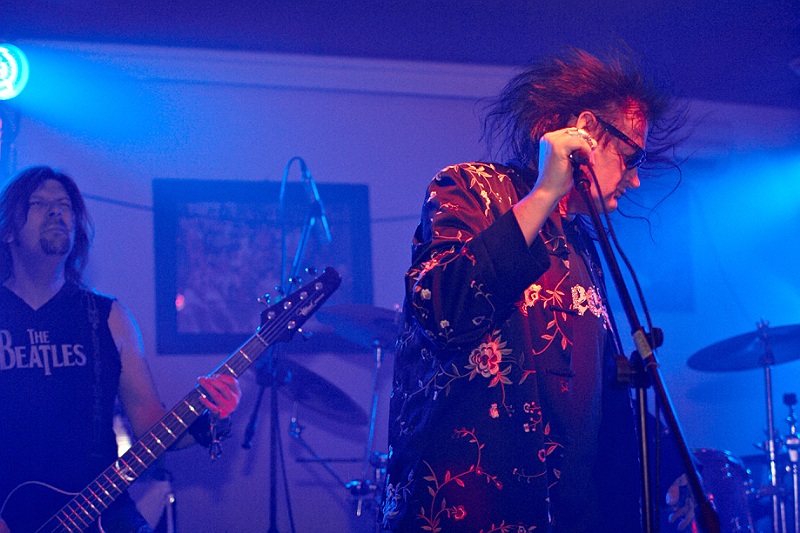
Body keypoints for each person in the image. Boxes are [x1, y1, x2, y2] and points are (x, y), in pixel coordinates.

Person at [381, 48, 684, 532]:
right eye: (631, 157)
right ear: (586, 132)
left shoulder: (582, 245)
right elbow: (443, 309)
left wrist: (671, 468)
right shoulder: (470, 188)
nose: (635, 178)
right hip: (465, 511)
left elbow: (599, 400)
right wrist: (545, 193)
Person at [0, 166, 242, 533]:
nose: (56, 211)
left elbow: (151, 427)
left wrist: (213, 418)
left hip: (103, 514)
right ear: (7, 231)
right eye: (38, 203)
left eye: (64, 205)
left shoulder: (109, 317)